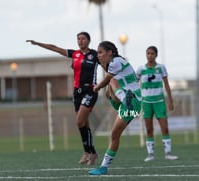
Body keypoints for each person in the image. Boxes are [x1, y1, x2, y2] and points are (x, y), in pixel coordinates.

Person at [26, 32, 99, 165]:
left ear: (89, 40)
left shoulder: (95, 55)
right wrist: (38, 43)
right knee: (84, 123)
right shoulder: (74, 54)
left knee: (79, 121)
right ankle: (92, 152)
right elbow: (55, 48)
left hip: (90, 91)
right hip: (77, 92)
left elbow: (109, 65)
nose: (80, 41)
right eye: (78, 39)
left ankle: (87, 152)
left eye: (83, 39)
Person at [88, 41, 141, 175]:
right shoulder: (116, 63)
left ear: (110, 52)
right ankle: (104, 167)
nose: (98, 55)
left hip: (132, 100)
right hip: (132, 100)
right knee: (109, 89)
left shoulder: (115, 62)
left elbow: (107, 79)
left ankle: (104, 167)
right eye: (98, 53)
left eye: (100, 52)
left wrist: (97, 87)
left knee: (111, 81)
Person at [136, 46, 178, 162]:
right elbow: (134, 84)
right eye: (148, 53)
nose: (150, 56)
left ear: (156, 55)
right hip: (146, 102)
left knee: (165, 127)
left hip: (159, 101)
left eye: (152, 54)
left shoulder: (161, 68)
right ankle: (150, 155)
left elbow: (167, 85)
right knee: (149, 129)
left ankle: (168, 153)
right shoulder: (140, 69)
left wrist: (170, 100)